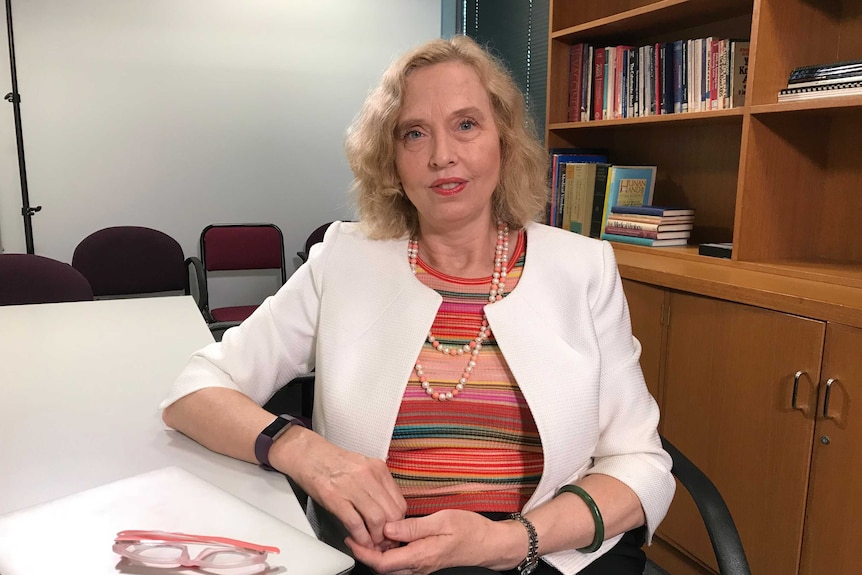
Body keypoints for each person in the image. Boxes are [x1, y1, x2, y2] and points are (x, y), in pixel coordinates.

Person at [161, 35, 674, 575]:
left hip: (540, 555)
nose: (442, 155)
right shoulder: (344, 260)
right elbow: (194, 390)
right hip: (380, 561)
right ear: (391, 161)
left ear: (504, 139)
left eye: (467, 124)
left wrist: (506, 541)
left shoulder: (583, 268)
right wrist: (306, 453)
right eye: (414, 133)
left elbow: (641, 464)